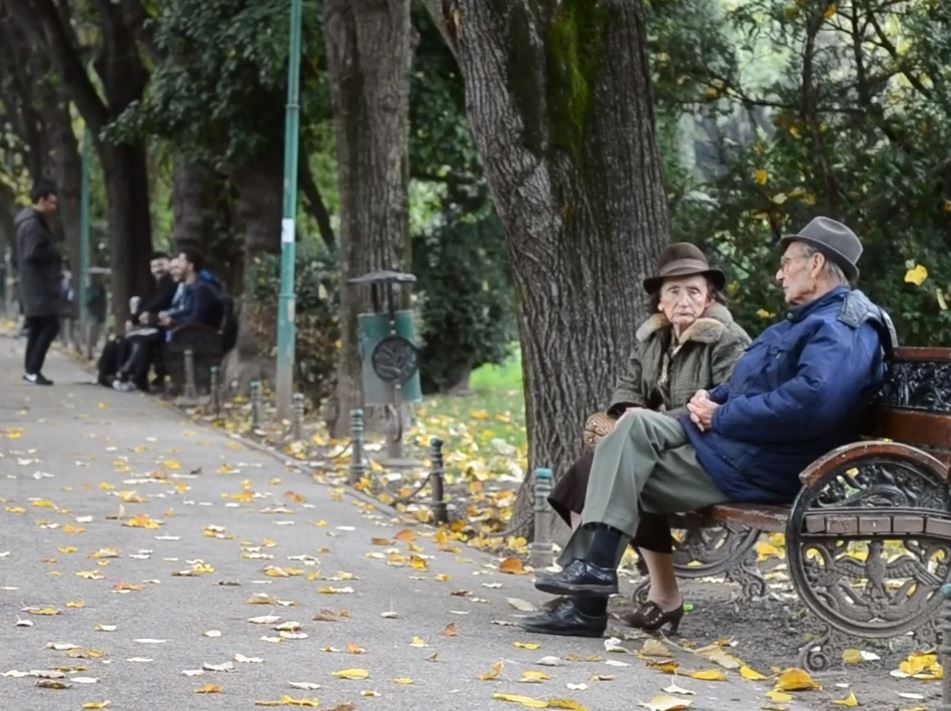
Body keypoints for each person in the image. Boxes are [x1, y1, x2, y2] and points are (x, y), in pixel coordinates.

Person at [522, 217, 897, 638]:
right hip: (736, 446)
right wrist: (713, 398)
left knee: (617, 467)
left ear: (816, 264)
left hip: (766, 464)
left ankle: (589, 596)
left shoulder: (842, 328)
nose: (779, 273)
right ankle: (591, 578)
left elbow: (809, 405)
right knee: (631, 429)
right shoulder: (805, 320)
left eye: (786, 262)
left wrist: (721, 415)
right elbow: (748, 382)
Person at [547, 243, 750, 631]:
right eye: (673, 291)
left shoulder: (727, 339)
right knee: (583, 477)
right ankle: (589, 586)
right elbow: (626, 390)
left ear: (709, 296)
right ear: (660, 300)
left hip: (703, 448)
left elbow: (728, 404)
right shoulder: (653, 340)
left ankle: (603, 592)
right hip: (655, 440)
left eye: (693, 290)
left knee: (627, 472)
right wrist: (626, 413)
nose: (684, 299)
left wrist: (653, 422)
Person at [113, 250, 223, 393]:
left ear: (190, 266)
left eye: (179, 263)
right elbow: (182, 310)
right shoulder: (191, 287)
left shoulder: (200, 288)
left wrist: (171, 321)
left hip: (194, 336)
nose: (174, 269)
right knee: (140, 336)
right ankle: (130, 376)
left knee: (143, 337)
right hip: (182, 330)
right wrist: (165, 316)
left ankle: (128, 375)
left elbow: (196, 318)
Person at [14, 183, 61, 385]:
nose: (54, 207)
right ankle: (33, 369)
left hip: (34, 284)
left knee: (36, 328)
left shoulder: (31, 221)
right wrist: (53, 252)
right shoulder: (33, 224)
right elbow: (31, 253)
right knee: (50, 325)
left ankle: (31, 371)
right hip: (39, 286)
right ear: (41, 201)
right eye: (52, 202)